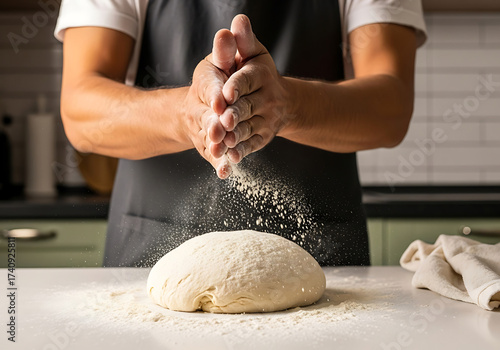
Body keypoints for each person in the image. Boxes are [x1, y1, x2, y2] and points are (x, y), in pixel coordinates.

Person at [54, 0, 427, 267]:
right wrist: (188, 113)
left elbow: (390, 108)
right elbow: (81, 112)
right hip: (150, 255)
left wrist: (286, 103)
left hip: (321, 262)